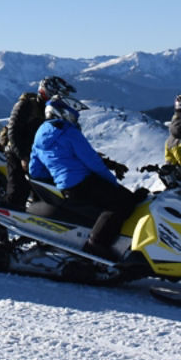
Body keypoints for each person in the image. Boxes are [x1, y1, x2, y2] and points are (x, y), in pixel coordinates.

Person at [0, 75, 76, 254]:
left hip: (39, 157)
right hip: (17, 153)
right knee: (16, 195)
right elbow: (13, 133)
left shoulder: (53, 108)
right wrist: (23, 157)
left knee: (43, 196)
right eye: (57, 94)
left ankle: (39, 237)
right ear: (47, 91)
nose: (60, 98)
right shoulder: (27, 105)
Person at [29, 96, 141, 261]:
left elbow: (35, 168)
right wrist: (112, 183)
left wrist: (53, 181)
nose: (75, 119)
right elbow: (93, 161)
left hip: (66, 188)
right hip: (83, 182)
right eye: (73, 115)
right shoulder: (69, 132)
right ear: (62, 113)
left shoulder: (39, 134)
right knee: (124, 202)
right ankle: (96, 243)